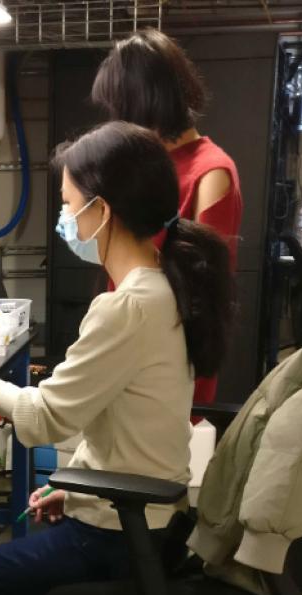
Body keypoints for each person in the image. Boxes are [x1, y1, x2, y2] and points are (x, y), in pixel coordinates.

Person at [0, 122, 235, 595]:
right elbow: (138, 430)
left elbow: (42, 420)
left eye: (67, 204)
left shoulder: (128, 306)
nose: (66, 218)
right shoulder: (165, 287)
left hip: (116, 537)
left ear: (102, 210)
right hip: (150, 520)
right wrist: (81, 493)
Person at [92, 28, 243, 406]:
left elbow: (202, 292)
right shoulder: (145, 164)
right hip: (126, 339)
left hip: (170, 358)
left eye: (121, 108)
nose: (117, 121)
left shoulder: (211, 172)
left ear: (146, 102)